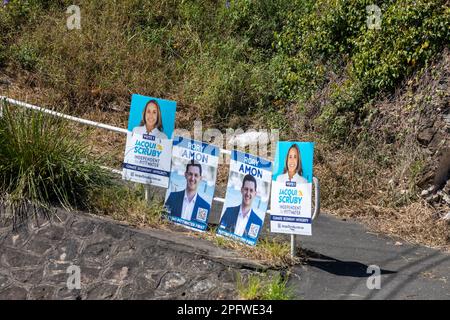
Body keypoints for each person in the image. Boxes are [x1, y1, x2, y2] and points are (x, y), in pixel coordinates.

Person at [219, 174, 263, 239]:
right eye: (246, 189)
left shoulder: (258, 221)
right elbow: (220, 233)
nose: (248, 194)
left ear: (255, 193)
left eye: (251, 190)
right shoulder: (229, 211)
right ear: (242, 190)